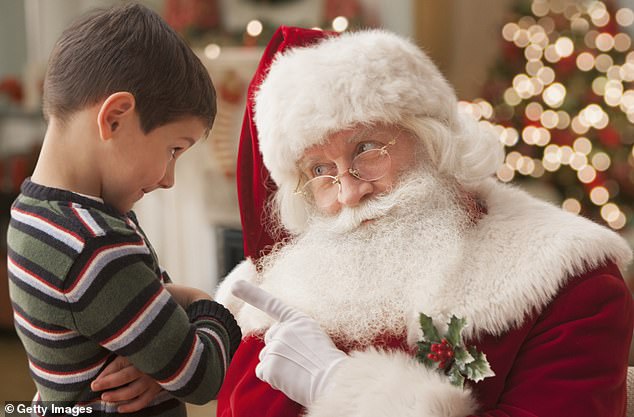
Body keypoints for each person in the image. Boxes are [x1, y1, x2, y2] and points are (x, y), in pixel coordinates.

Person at [214, 26, 634, 417]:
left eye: (367, 148)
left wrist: (341, 387)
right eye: (320, 170)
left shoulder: (569, 281)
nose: (349, 192)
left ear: (434, 141)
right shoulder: (283, 285)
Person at [6, 4, 241, 416]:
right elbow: (204, 375)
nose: (169, 178)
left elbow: (150, 302)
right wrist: (206, 301)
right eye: (173, 149)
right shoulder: (93, 244)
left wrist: (162, 352)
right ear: (115, 118)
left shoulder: (36, 214)